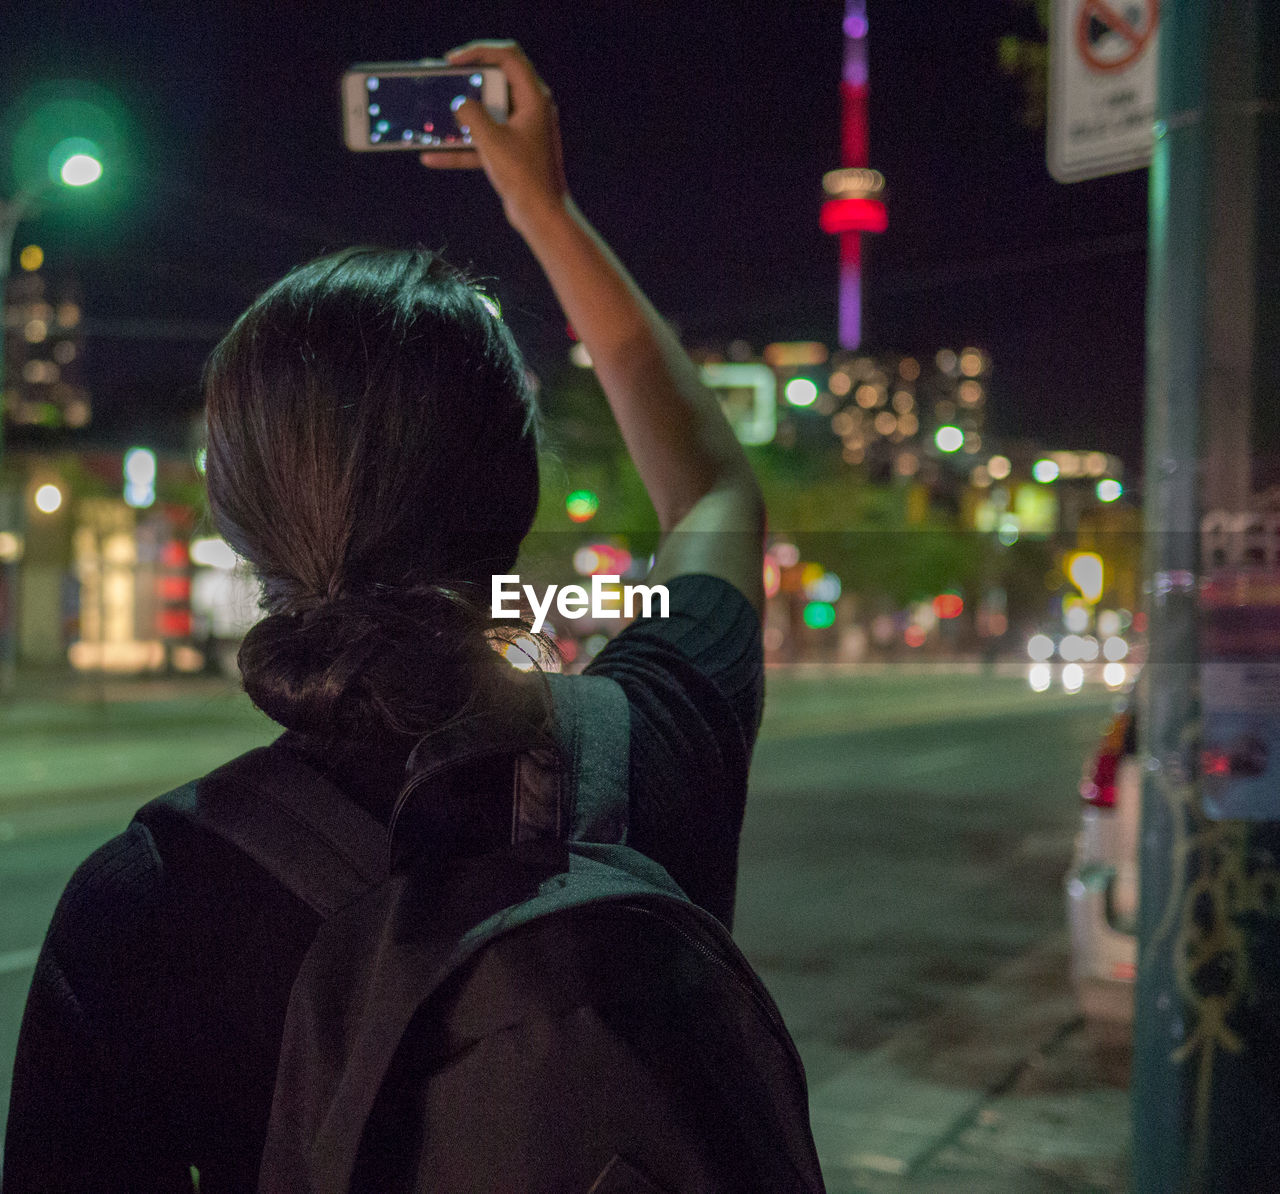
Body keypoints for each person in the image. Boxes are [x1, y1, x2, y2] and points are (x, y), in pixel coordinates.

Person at [3, 41, 766, 1191]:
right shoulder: (646, 752)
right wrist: (541, 209)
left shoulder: (145, 906)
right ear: (516, 495)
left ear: (236, 524)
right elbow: (711, 491)